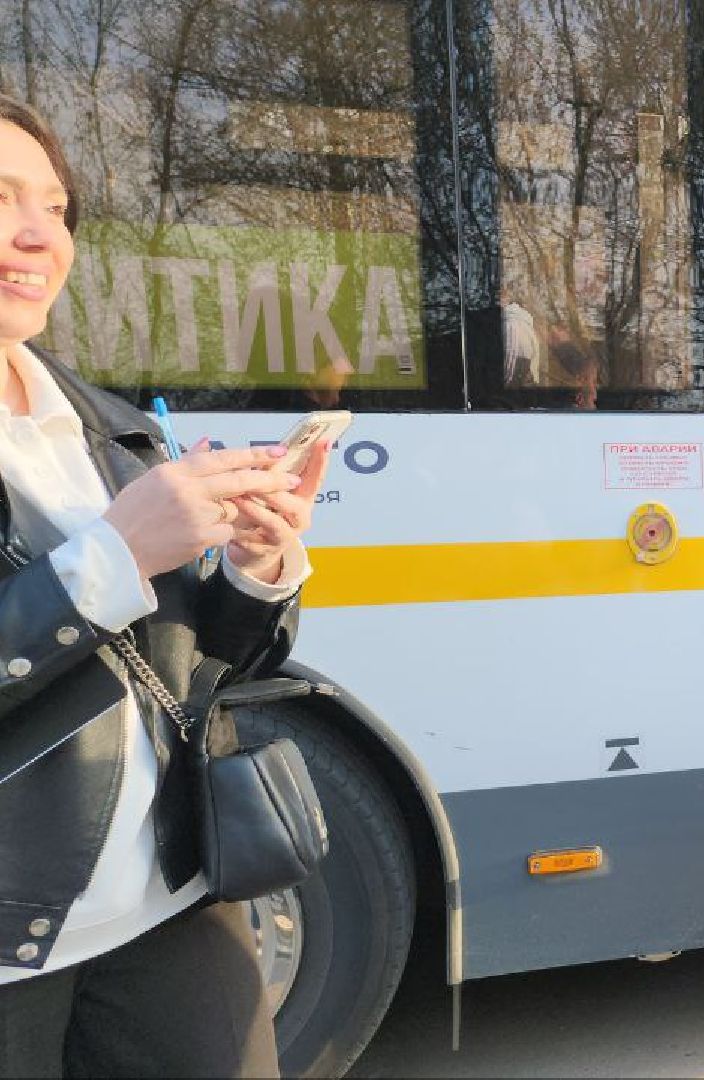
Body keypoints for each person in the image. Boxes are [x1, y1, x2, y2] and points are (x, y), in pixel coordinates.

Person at [0, 96, 331, 1077]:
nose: (37, 234)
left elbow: (196, 672)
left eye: (55, 207)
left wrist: (255, 569)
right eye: (1, 200)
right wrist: (114, 556)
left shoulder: (106, 427)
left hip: (168, 908)